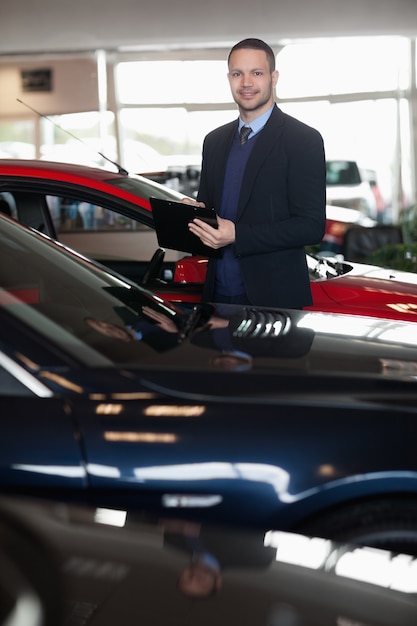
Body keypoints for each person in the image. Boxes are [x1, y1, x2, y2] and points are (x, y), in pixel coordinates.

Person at [185, 38, 326, 308]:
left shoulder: (302, 139)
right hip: (217, 296)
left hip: (275, 300)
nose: (246, 82)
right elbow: (211, 214)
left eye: (256, 73)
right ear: (229, 78)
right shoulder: (213, 141)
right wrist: (192, 215)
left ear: (274, 78)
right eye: (238, 74)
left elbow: (310, 226)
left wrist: (238, 234)